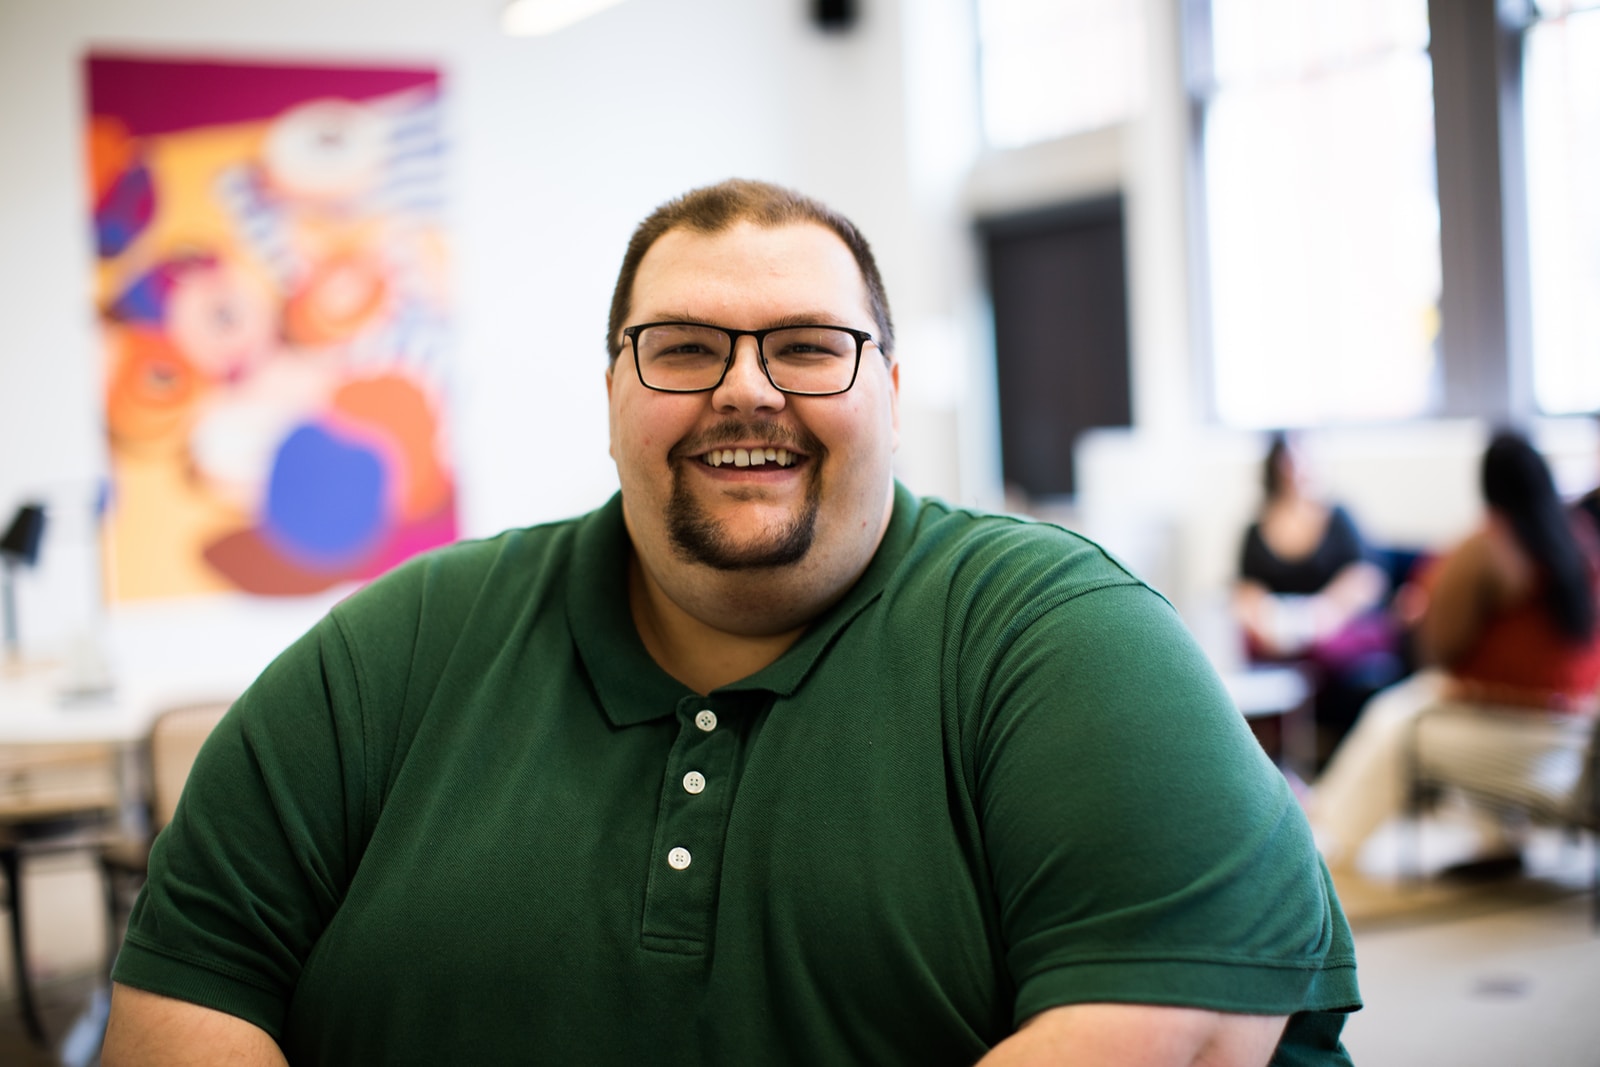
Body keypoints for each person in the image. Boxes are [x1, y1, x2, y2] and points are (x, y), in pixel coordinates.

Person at [102, 179, 1359, 1066]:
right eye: (684, 347)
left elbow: (1173, 1037)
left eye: (810, 346)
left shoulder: (1066, 644)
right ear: (611, 393)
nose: (745, 388)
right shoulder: (397, 646)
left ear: (889, 391)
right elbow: (177, 998)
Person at [1308, 430, 1600, 872]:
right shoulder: (1578, 539)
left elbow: (1440, 648)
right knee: (1413, 706)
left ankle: (1326, 844)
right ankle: (1498, 839)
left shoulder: (1489, 547)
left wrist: (1418, 614)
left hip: (1510, 725)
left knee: (1393, 720)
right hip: (1570, 733)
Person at [1233, 432, 1402, 764]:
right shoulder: (1256, 529)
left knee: (1328, 653)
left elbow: (1366, 578)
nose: (1296, 470)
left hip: (1334, 627)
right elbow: (1245, 590)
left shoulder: (1339, 518)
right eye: (1288, 462)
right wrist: (1267, 620)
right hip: (1278, 634)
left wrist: (1325, 613)